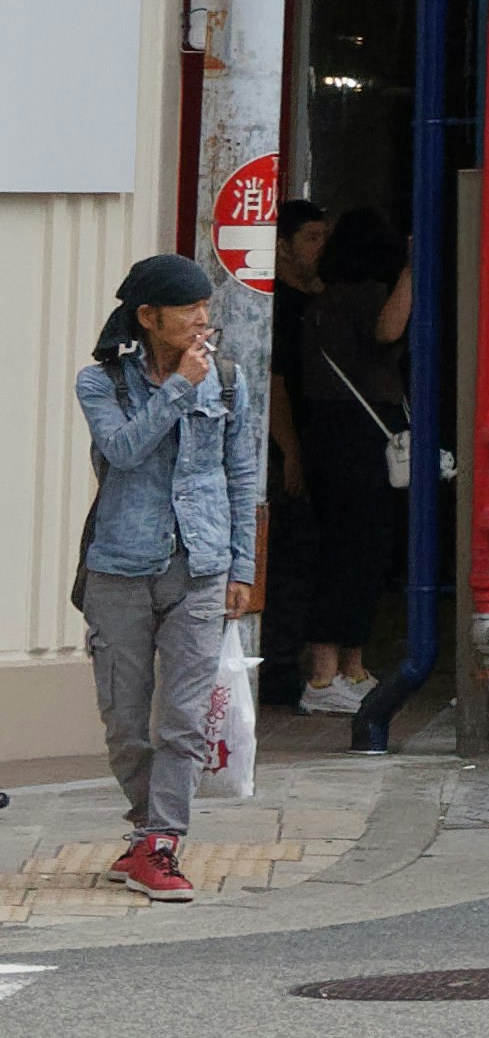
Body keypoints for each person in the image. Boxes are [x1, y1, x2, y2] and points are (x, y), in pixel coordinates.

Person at [74, 252, 261, 902]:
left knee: (182, 717)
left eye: (206, 307)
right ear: (148, 316)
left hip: (201, 567)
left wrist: (244, 565)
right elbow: (124, 451)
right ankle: (144, 831)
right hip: (119, 568)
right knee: (126, 722)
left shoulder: (232, 379)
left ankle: (161, 841)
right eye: (188, 308)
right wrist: (180, 384)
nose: (203, 319)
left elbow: (243, 474)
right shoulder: (101, 383)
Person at [270, 212, 412, 716]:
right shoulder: (362, 296)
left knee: (356, 549)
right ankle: (327, 677)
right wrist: (412, 273)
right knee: (355, 551)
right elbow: (388, 329)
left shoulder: (321, 303)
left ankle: (348, 668)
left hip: (334, 434)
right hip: (356, 435)